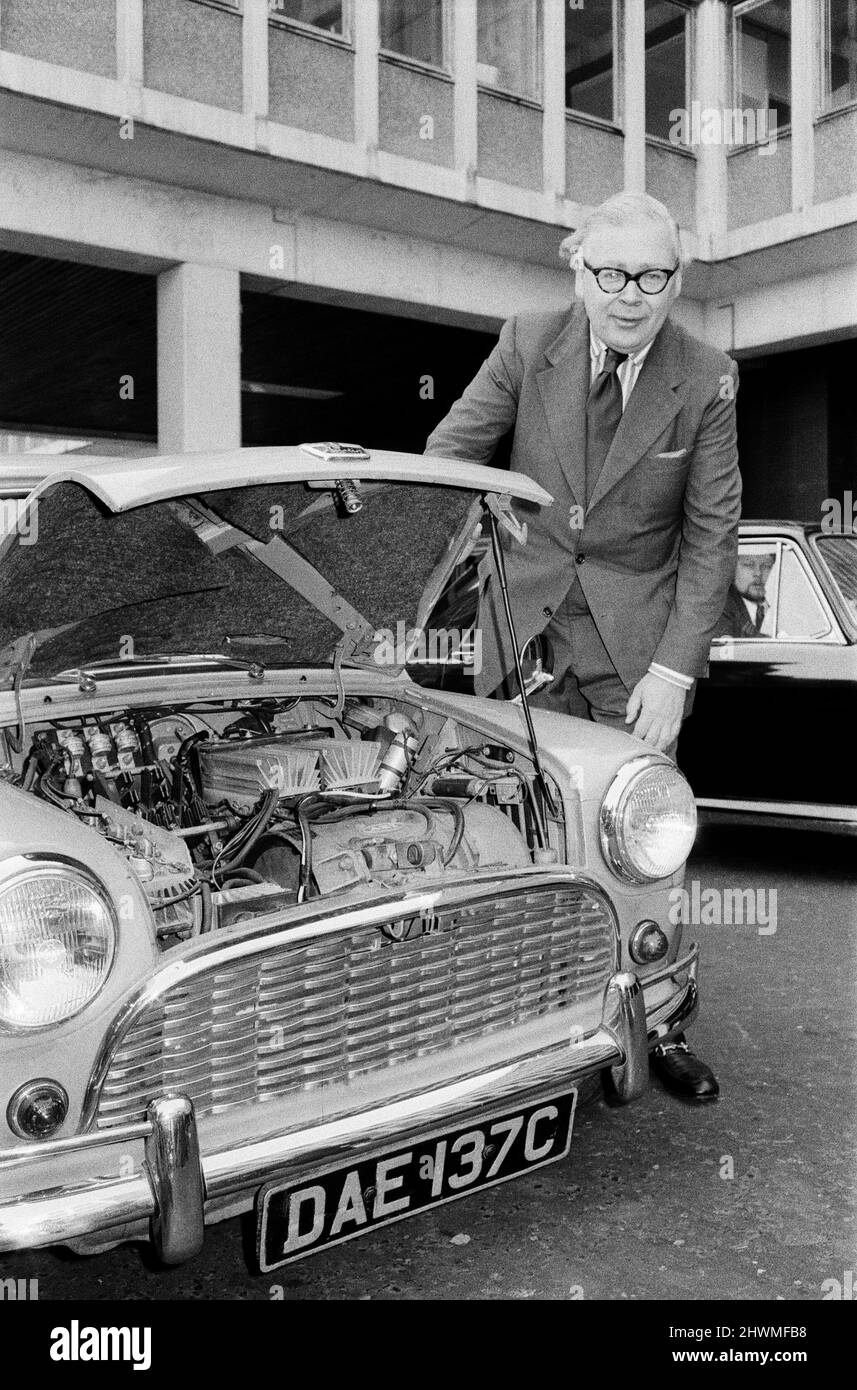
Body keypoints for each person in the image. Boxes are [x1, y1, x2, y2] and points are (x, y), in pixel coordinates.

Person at [425, 192, 742, 1103]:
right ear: (579, 270)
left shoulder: (708, 375)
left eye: (650, 276)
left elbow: (710, 537)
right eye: (611, 273)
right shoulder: (527, 341)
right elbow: (450, 459)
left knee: (640, 845)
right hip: (520, 636)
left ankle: (663, 1018)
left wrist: (675, 674)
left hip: (637, 655)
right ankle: (518, 1035)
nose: (629, 295)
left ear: (674, 281)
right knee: (514, 837)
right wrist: (485, 508)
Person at [716, 553, 776, 638]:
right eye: (749, 565)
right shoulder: (721, 607)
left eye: (766, 566)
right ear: (733, 569)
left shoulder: (781, 603)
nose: (758, 573)